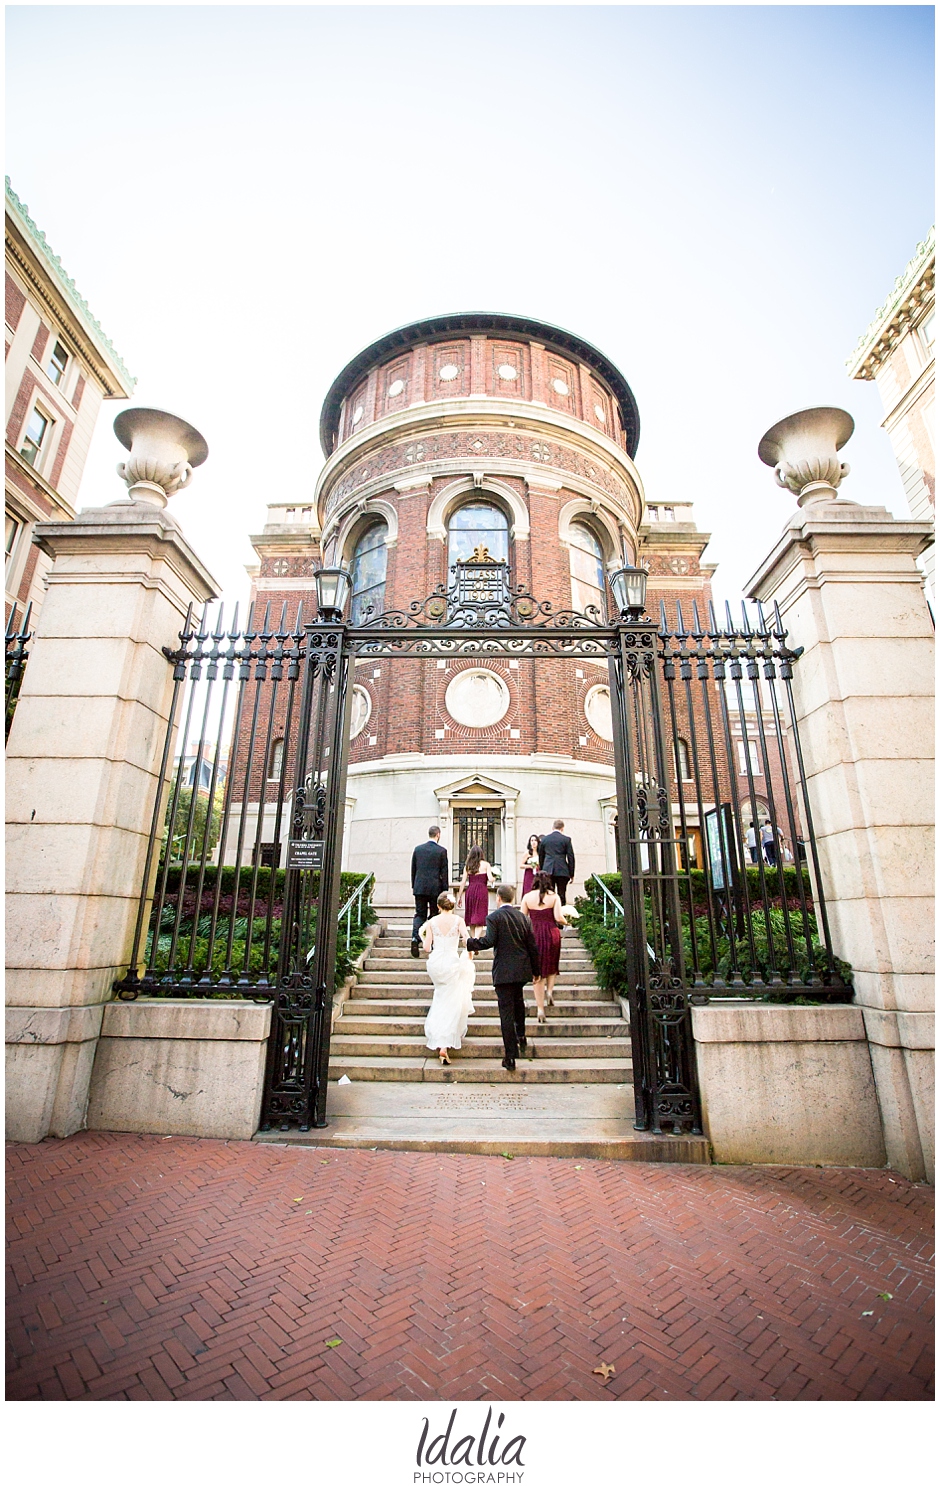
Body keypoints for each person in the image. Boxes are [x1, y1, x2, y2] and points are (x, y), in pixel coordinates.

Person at [466, 884, 541, 1072]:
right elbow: (532, 945)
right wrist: (536, 970)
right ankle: (521, 1035)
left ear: (498, 898)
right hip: (521, 969)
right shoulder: (523, 918)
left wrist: (470, 943)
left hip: (503, 971)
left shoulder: (494, 918)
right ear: (513, 899)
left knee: (506, 1012)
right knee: (519, 1002)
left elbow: (489, 941)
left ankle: (510, 1056)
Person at [419, 891, 475, 1067]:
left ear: (437, 906)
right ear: (453, 906)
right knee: (451, 1000)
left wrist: (426, 938)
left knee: (441, 996)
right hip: (452, 962)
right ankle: (445, 1042)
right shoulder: (458, 921)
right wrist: (470, 954)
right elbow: (467, 940)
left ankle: (440, 1039)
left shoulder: (431, 922)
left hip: (436, 964)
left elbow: (427, 948)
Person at [520, 870, 567, 1022]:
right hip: (551, 933)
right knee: (552, 964)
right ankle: (550, 991)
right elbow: (558, 918)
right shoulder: (554, 897)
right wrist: (568, 921)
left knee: (537, 971)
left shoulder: (527, 897)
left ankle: (540, 1008)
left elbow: (522, 919)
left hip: (534, 934)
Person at [410, 826, 449, 958]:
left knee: (419, 914)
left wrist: (414, 886)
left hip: (419, 887)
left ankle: (415, 939)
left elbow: (413, 870)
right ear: (438, 834)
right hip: (435, 889)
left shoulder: (418, 849)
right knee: (433, 915)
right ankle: (430, 941)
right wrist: (445, 892)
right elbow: (444, 873)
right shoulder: (442, 851)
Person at [537, 819, 575, 904]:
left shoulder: (545, 839)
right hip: (562, 870)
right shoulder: (566, 839)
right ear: (562, 828)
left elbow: (541, 856)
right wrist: (571, 873)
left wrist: (542, 870)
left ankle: (550, 914)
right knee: (561, 893)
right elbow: (570, 857)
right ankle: (561, 912)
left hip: (548, 869)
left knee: (549, 893)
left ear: (553, 827)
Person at [457, 843, 494, 931]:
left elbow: (462, 882)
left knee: (471, 917)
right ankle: (476, 940)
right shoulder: (486, 865)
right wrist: (495, 877)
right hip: (482, 891)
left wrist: (459, 896)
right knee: (480, 916)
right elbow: (490, 878)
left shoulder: (468, 866)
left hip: (470, 890)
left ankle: (473, 940)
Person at [520, 834, 541, 898]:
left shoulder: (540, 853)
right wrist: (530, 866)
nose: (533, 842)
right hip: (529, 873)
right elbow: (521, 865)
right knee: (528, 889)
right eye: (532, 840)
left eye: (535, 840)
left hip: (538, 873)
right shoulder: (527, 853)